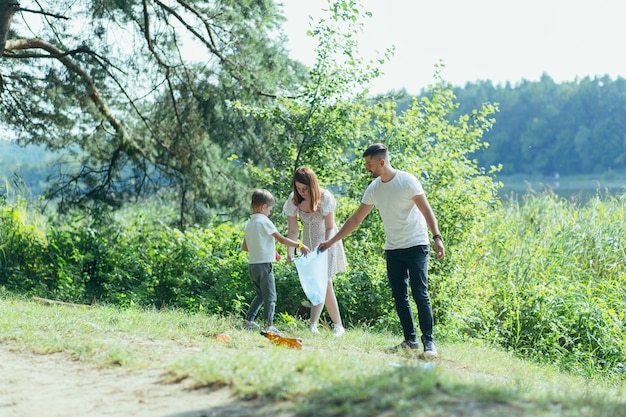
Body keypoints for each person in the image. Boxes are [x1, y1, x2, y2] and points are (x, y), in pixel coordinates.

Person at [318, 143, 445, 358]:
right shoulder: (374, 189)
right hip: (393, 248)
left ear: (382, 162)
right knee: (399, 296)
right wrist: (331, 242)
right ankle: (410, 341)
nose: (367, 168)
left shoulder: (407, 181)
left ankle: (429, 342)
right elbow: (356, 219)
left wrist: (437, 237)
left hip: (416, 244)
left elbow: (426, 209)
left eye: (369, 164)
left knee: (420, 294)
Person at [283, 167, 347, 337]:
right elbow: (293, 230)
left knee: (324, 281)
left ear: (312, 185)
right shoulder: (294, 200)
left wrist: (327, 245)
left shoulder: (325, 197)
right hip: (307, 243)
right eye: (298, 188)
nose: (301, 192)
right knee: (316, 282)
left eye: (304, 188)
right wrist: (291, 250)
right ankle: (322, 325)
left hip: (326, 240)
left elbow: (330, 227)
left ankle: (329, 325)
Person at [242, 189, 311, 335]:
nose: (270, 212)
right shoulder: (264, 221)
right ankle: (269, 326)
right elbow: (281, 239)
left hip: (253, 265)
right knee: (271, 297)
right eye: (270, 209)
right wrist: (299, 245)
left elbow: (245, 247)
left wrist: (269, 251)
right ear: (263, 207)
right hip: (264, 265)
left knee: (260, 295)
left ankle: (248, 320)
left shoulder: (250, 224)